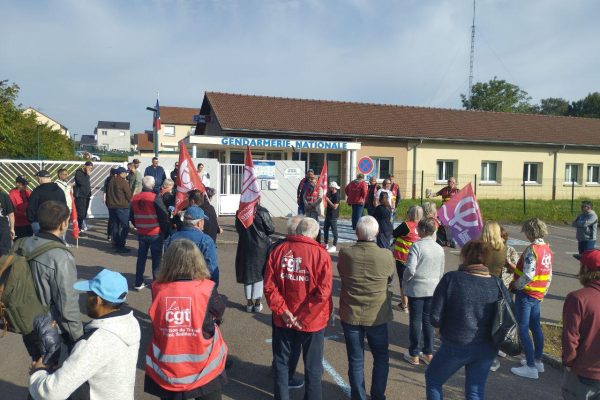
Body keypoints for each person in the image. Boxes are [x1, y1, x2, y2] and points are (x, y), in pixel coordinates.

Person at [29, 269, 140, 400]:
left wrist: (38, 372)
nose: (85, 300)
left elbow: (51, 393)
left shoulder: (94, 341)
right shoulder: (131, 323)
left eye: (88, 295)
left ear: (97, 300)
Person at [144, 239, 227, 400]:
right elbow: (219, 310)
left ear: (168, 262)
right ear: (198, 261)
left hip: (168, 368)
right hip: (205, 367)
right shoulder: (207, 287)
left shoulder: (157, 288)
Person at [264, 218, 332, 400]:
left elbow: (269, 286)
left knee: (282, 362)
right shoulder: (320, 254)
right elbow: (324, 292)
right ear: (315, 233)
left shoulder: (278, 250)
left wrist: (284, 311)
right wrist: (303, 316)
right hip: (312, 320)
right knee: (313, 366)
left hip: (285, 319)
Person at [337, 216, 395, 400]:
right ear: (377, 233)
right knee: (381, 357)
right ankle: (378, 395)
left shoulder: (345, 253)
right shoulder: (386, 255)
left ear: (356, 232)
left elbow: (341, 273)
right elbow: (390, 278)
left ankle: (359, 396)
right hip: (376, 315)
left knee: (355, 360)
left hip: (351, 313)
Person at [20, 201, 83, 358]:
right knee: (53, 374)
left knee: (38, 365)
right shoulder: (61, 257)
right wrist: (78, 336)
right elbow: (66, 302)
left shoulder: (23, 243)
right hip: (51, 327)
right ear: (62, 224)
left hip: (25, 319)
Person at [510, 218, 553, 379]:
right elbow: (549, 274)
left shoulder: (532, 250)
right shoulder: (547, 248)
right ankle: (537, 361)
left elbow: (528, 274)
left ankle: (530, 366)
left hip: (527, 293)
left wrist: (516, 286)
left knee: (523, 328)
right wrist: (544, 292)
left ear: (530, 232)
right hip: (538, 293)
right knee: (535, 327)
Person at [403, 218, 445, 366]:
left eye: (418, 229)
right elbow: (441, 271)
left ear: (423, 231)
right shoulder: (439, 248)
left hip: (417, 288)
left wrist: (405, 281)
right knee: (428, 321)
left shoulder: (417, 246)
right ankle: (428, 352)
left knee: (415, 320)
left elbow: (410, 269)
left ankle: (414, 353)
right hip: (433, 288)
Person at [561, 249, 600, 399]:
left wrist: (569, 362)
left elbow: (570, 336)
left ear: (585, 269)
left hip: (583, 372)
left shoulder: (578, 298)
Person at [130, 176, 171, 290]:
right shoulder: (155, 198)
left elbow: (131, 217)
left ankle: (138, 282)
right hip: (155, 233)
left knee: (141, 258)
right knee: (156, 259)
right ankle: (156, 283)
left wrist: (138, 225)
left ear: (143, 185)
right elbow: (164, 216)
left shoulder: (134, 198)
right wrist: (165, 231)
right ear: (153, 186)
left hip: (142, 231)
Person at [235, 203, 275, 312]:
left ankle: (249, 303)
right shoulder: (262, 211)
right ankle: (257, 303)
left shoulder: (240, 211)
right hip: (261, 247)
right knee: (260, 274)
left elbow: (238, 229)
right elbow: (271, 229)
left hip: (245, 245)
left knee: (248, 274)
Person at [167, 206, 220, 287]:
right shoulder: (206, 240)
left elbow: (167, 265)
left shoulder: (172, 238)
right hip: (197, 287)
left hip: (175, 286)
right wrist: (213, 289)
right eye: (203, 221)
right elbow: (212, 269)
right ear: (199, 223)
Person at [392, 205, 423, 313]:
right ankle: (412, 302)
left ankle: (404, 305)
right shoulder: (423, 226)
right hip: (418, 258)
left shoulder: (406, 225)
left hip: (403, 257)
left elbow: (394, 233)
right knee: (414, 280)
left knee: (403, 281)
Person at [27, 170, 67, 234]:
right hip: (57, 224)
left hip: (40, 224)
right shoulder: (59, 190)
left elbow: (31, 207)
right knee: (55, 242)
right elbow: (64, 207)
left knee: (40, 243)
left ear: (40, 178)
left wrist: (31, 220)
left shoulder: (37, 191)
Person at [106, 167, 133, 253]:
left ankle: (116, 244)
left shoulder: (110, 181)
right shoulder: (123, 182)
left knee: (115, 225)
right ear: (122, 173)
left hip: (112, 206)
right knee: (125, 226)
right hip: (122, 206)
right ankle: (121, 245)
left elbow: (108, 193)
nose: (126, 174)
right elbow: (129, 195)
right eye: (125, 172)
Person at [429, 177, 459, 247]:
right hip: (443, 210)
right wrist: (430, 194)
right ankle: (444, 239)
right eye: (449, 181)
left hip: (452, 211)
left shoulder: (457, 191)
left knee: (450, 226)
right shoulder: (444, 189)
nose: (450, 183)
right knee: (442, 225)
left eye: (451, 182)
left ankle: (451, 241)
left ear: (454, 183)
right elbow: (436, 194)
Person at [55, 168, 73, 244]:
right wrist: (69, 187)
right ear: (60, 175)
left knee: (66, 224)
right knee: (61, 224)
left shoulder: (65, 183)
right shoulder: (57, 184)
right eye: (65, 174)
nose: (67, 176)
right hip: (63, 206)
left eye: (67, 174)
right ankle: (60, 239)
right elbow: (64, 194)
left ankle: (63, 239)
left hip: (69, 206)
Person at [74, 161, 93, 231]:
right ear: (85, 166)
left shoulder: (86, 174)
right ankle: (78, 228)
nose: (90, 170)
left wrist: (89, 193)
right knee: (80, 213)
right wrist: (87, 174)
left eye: (91, 168)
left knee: (84, 212)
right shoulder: (79, 172)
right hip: (80, 196)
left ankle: (81, 225)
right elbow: (81, 182)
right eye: (89, 168)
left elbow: (87, 184)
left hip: (86, 196)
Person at [323, 181, 340, 253]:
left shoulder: (337, 196)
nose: (329, 188)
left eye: (330, 187)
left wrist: (328, 200)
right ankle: (326, 243)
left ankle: (334, 245)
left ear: (333, 188)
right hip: (328, 215)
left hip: (333, 216)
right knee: (325, 229)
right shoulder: (330, 194)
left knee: (334, 231)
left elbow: (335, 207)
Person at [0, 189, 15, 256]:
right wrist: (12, 228)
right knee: (5, 252)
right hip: (3, 227)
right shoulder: (4, 195)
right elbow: (11, 214)